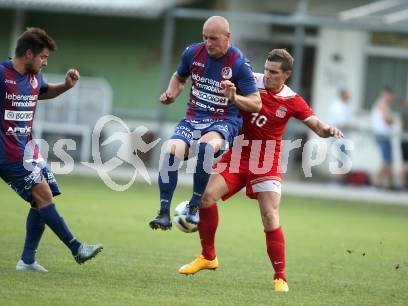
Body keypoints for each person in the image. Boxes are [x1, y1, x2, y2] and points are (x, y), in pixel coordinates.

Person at [177, 49, 343, 292]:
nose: (267, 75)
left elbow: (316, 125)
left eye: (273, 73)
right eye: (265, 69)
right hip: (238, 153)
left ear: (286, 74)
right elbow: (218, 88)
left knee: (269, 215)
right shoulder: (250, 81)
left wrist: (328, 130)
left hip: (267, 160)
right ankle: (208, 257)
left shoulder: (292, 100)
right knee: (205, 198)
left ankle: (280, 277)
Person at [0, 27, 102, 272]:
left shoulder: (34, 77)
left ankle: (27, 260)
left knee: (44, 196)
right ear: (29, 54)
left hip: (28, 149)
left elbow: (43, 92)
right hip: (5, 151)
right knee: (44, 195)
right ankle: (76, 247)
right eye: (43, 57)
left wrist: (65, 86)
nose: (45, 62)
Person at [149, 16, 261, 230]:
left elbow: (256, 103)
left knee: (205, 148)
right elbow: (179, 77)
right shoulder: (193, 52)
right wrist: (172, 93)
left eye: (214, 38)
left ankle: (193, 206)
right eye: (205, 37)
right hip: (193, 119)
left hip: (223, 121)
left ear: (227, 37)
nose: (208, 43)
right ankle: (164, 212)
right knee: (170, 151)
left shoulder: (239, 63)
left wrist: (234, 97)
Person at [371, 86, 395, 189]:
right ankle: (376, 182)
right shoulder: (382, 103)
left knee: (388, 161)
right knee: (387, 161)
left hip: (385, 136)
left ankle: (390, 184)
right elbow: (389, 120)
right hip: (382, 136)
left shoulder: (383, 104)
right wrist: (390, 118)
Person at [328, 88, 353, 174]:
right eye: (347, 94)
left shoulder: (345, 105)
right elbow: (338, 121)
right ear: (343, 95)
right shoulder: (337, 106)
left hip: (342, 136)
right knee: (342, 157)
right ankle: (340, 178)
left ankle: (342, 177)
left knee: (343, 157)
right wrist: (348, 125)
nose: (349, 96)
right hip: (337, 136)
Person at [400, 99, 408, 189]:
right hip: (405, 140)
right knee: (405, 163)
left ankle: (404, 183)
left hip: (404, 140)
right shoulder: (405, 114)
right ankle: (404, 183)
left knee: (405, 163)